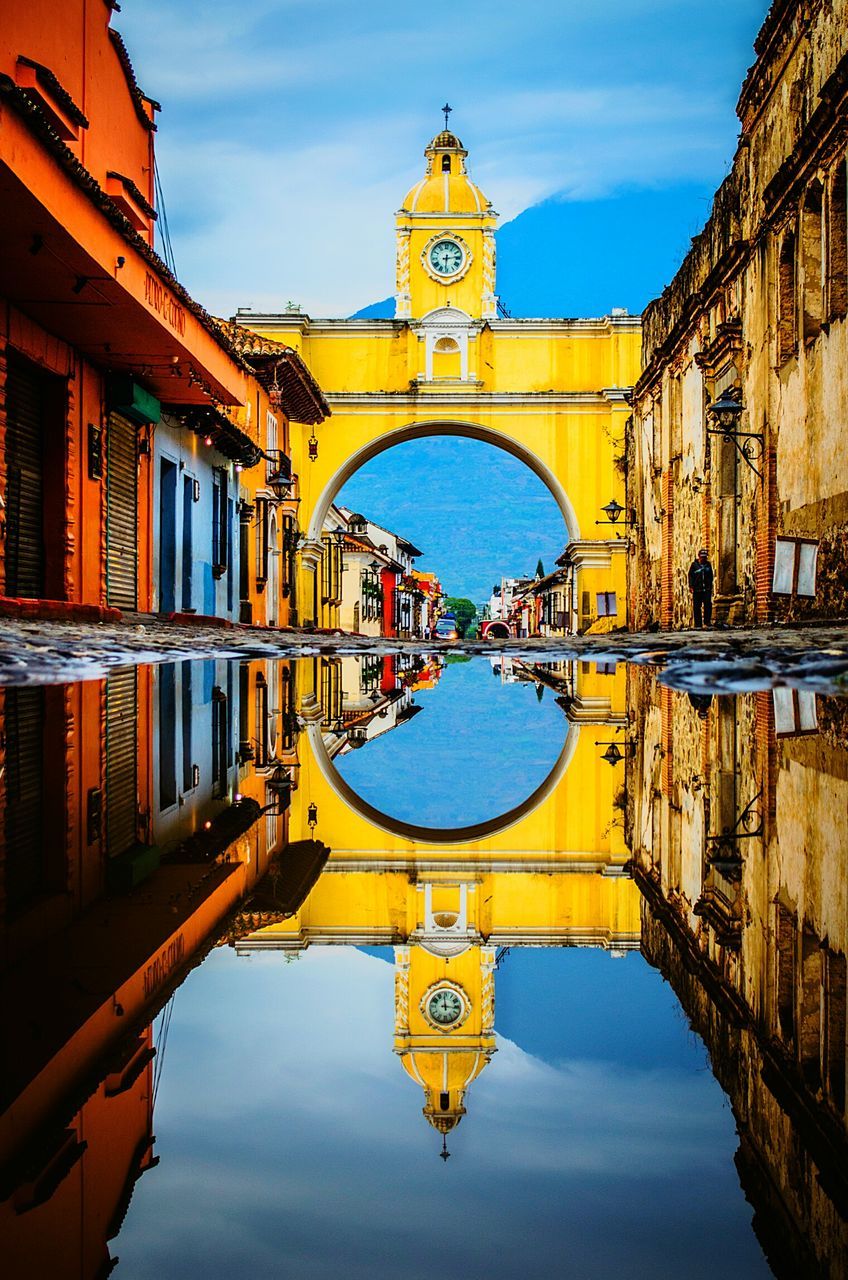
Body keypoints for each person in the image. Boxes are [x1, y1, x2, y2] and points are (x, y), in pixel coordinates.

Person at [688, 548, 714, 627]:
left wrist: (709, 586)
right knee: (697, 607)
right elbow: (690, 576)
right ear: (699, 556)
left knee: (707, 605)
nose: (703, 559)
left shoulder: (708, 565)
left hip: (706, 589)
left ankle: (707, 622)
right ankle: (698, 624)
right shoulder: (694, 565)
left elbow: (711, 576)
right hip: (697, 589)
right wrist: (691, 586)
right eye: (702, 557)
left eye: (705, 557)